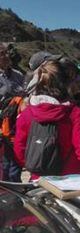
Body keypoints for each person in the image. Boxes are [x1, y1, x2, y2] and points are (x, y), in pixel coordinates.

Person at [13, 61, 80, 180]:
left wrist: (37, 166)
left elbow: (19, 151)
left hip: (39, 179)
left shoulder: (26, 114)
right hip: (71, 179)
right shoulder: (73, 113)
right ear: (65, 83)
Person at [0, 43, 25, 182]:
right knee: (4, 164)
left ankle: (15, 188)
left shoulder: (18, 75)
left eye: (6, 53)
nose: (6, 56)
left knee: (16, 161)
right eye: (2, 53)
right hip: (2, 127)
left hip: (17, 125)